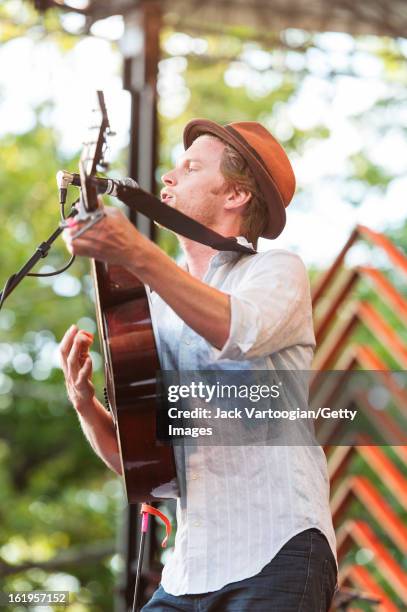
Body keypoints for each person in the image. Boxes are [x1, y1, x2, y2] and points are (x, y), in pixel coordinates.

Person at [60, 119, 338, 611]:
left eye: (189, 168)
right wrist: (84, 405)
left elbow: (239, 330)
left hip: (279, 548)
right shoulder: (154, 309)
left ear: (234, 194)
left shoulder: (274, 269)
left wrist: (137, 252)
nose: (167, 177)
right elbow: (147, 468)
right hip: (189, 568)